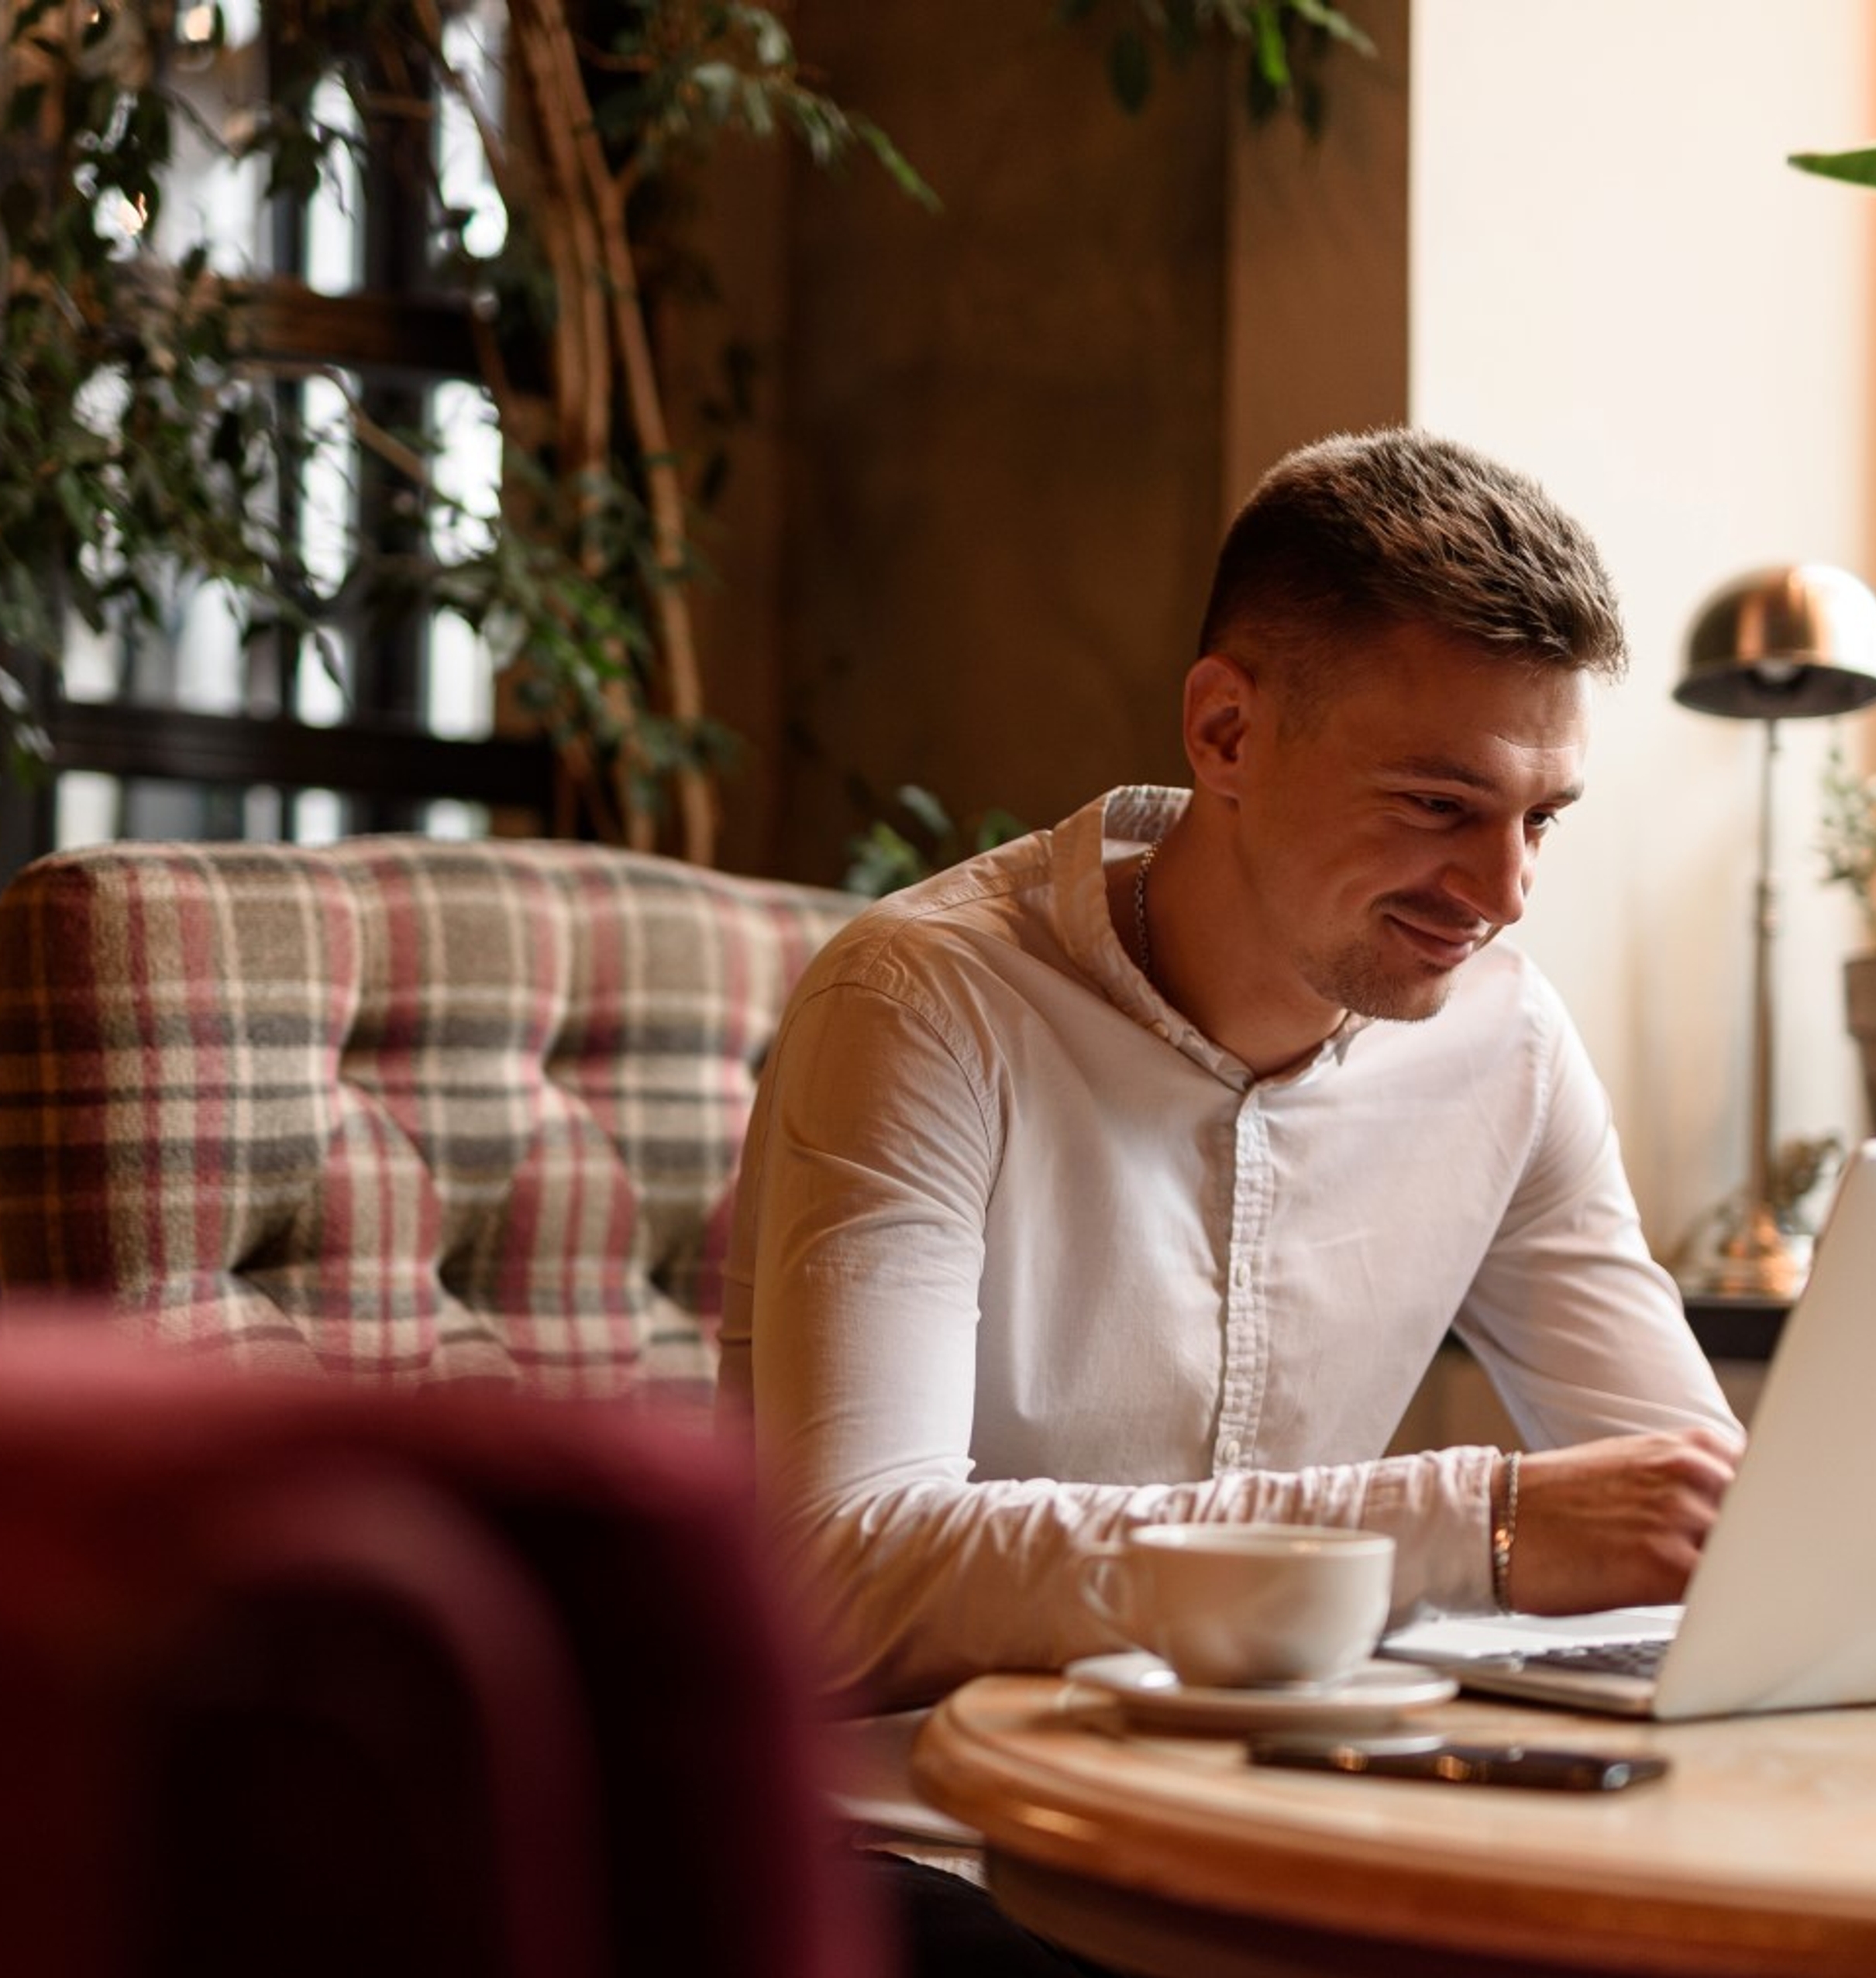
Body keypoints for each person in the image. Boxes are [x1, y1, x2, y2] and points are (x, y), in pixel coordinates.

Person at [723, 427, 1743, 1721]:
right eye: (1439, 805)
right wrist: (1473, 1524)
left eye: (1540, 820)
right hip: (931, 1838)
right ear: (1225, 734)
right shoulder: (924, 1005)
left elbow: (1688, 1512)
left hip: (1300, 1808)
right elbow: (843, 1577)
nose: (1505, 894)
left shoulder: (1512, 1044)